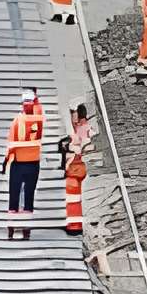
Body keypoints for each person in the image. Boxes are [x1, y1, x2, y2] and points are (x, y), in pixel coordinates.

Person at [3, 91, 43, 240]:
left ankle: (11, 229)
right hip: (33, 163)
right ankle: (26, 230)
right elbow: (39, 109)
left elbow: (11, 144)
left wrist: (6, 161)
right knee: (29, 197)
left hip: (18, 163)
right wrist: (36, 98)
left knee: (14, 196)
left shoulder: (16, 121)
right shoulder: (38, 120)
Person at [60, 101, 92, 237]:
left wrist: (69, 147)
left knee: (72, 198)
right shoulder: (81, 128)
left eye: (74, 116)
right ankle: (74, 223)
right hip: (75, 168)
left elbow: (82, 145)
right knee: (74, 198)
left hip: (75, 169)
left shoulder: (83, 129)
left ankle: (74, 225)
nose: (73, 120)